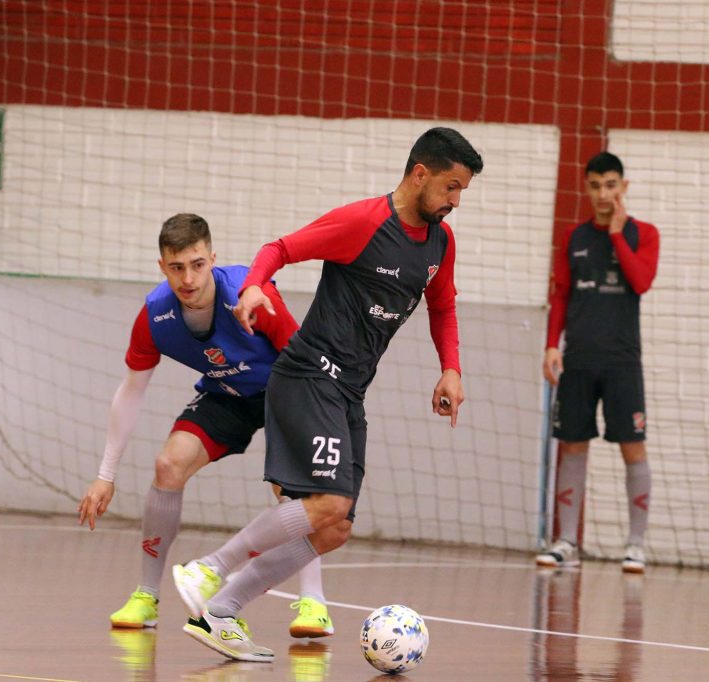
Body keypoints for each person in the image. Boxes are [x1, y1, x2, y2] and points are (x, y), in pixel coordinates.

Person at [170, 127, 483, 662]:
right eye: (451, 188)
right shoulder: (363, 222)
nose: (456, 201)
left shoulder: (440, 243)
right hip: (309, 375)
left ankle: (220, 613)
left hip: (348, 392)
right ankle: (208, 569)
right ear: (420, 174)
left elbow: (443, 307)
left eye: (462, 192)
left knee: (336, 527)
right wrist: (253, 286)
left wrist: (450, 369)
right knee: (327, 501)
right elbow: (280, 248)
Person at [77, 213, 334, 639]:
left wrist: (312, 426)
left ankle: (314, 604)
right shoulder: (155, 316)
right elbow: (132, 390)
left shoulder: (251, 293)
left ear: (211, 259)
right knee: (167, 466)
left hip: (283, 389)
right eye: (176, 267)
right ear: (162, 267)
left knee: (294, 490)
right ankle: (146, 596)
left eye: (197, 265)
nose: (188, 278)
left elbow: (301, 359)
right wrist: (105, 476)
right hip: (225, 394)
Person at [536, 152, 659, 573]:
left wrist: (620, 236)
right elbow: (561, 296)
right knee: (571, 444)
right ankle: (566, 540)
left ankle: (636, 545)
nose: (602, 193)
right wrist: (553, 344)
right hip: (579, 361)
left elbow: (641, 281)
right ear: (586, 188)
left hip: (623, 362)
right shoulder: (574, 238)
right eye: (595, 185)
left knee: (633, 447)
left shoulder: (645, 234)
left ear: (624, 186)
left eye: (610, 184)